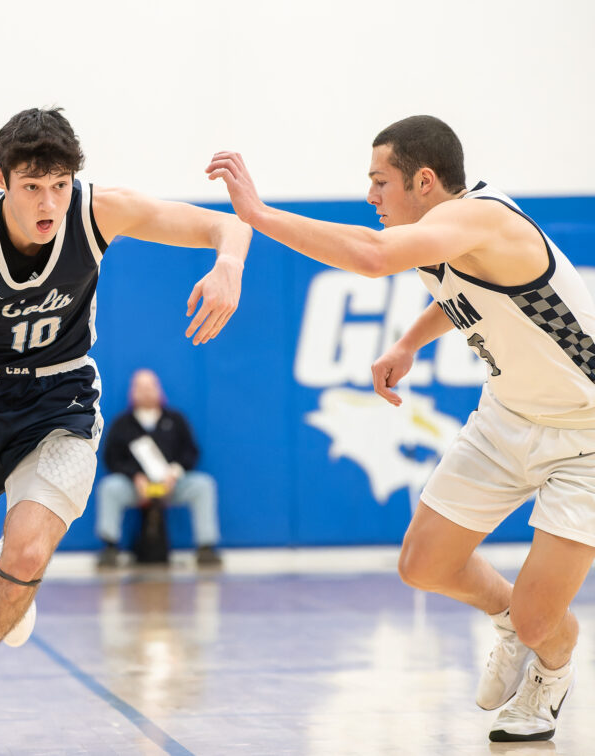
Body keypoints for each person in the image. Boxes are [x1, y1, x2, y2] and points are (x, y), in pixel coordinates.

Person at [0, 107, 250, 754]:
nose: (49, 201)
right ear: (0, 178)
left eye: (60, 184)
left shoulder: (97, 212)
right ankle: (5, 583)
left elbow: (223, 224)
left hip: (58, 396)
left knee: (28, 554)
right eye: (32, 186)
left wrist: (229, 265)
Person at [207, 115, 595, 743]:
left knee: (538, 620)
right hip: (509, 415)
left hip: (587, 435)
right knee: (423, 565)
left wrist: (257, 213)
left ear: (423, 180)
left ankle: (551, 669)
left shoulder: (484, 218)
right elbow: (463, 295)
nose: (370, 196)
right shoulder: (441, 232)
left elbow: (369, 257)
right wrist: (409, 342)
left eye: (378, 181)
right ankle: (511, 621)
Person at [96, 368, 222, 567]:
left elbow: (191, 452)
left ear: (159, 389)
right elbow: (111, 458)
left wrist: (175, 472)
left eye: (150, 386)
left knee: (203, 485)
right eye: (140, 387)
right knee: (110, 487)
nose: (146, 392)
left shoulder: (176, 419)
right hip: (137, 488)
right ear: (132, 392)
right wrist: (135, 476)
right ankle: (109, 548)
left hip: (170, 486)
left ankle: (206, 548)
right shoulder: (122, 424)